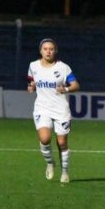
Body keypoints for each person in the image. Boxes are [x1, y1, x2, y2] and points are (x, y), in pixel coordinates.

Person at [27, 38, 80, 183]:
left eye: (51, 49)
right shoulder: (33, 66)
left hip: (60, 109)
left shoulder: (63, 67)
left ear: (55, 51)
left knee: (62, 142)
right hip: (42, 107)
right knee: (44, 139)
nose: (48, 51)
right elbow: (31, 80)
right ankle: (50, 163)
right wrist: (31, 87)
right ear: (40, 51)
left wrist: (66, 89)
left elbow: (76, 85)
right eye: (45, 49)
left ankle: (65, 171)